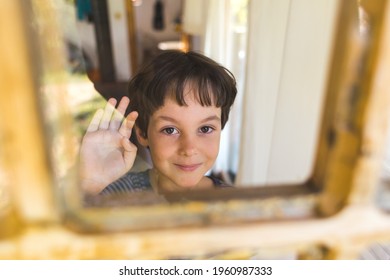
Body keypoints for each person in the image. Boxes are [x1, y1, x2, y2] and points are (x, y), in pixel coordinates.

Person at [80, 50, 237, 196]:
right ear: (142, 133)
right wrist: (92, 184)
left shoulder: (235, 202)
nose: (189, 149)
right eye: (170, 130)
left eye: (205, 128)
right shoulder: (116, 194)